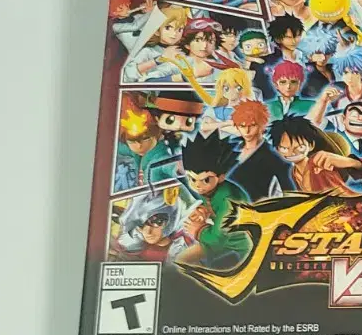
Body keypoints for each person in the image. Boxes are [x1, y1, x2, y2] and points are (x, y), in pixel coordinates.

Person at [176, 133, 252, 270]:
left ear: (221, 177)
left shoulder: (228, 198)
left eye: (206, 180)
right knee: (181, 260)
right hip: (219, 239)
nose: (197, 185)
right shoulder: (207, 190)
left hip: (241, 244)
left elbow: (218, 240)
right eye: (192, 179)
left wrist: (198, 230)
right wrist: (202, 210)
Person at [270, 115, 362, 193]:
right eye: (284, 148)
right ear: (277, 149)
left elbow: (341, 192)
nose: (292, 152)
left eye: (300, 147)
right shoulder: (294, 172)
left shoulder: (318, 162)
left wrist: (349, 162)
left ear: (311, 145)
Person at [229, 99, 295, 200]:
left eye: (252, 125)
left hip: (254, 206)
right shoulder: (229, 148)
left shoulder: (275, 159)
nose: (247, 131)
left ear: (262, 125)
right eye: (242, 126)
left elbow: (290, 194)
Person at [114, 193, 180, 263]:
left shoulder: (180, 248)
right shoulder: (133, 252)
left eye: (156, 222)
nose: (148, 232)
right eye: (141, 225)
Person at [201, 67, 254, 136]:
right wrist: (226, 124)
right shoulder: (216, 109)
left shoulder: (247, 110)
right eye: (226, 88)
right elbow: (203, 127)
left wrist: (218, 126)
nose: (232, 92)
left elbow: (242, 132)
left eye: (238, 88)